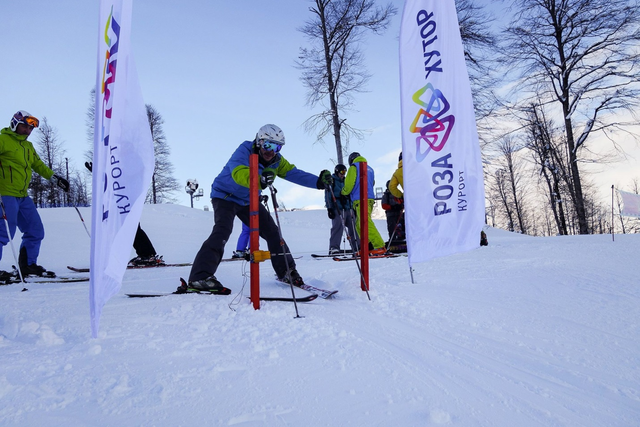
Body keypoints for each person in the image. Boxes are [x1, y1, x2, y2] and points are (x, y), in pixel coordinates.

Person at [187, 124, 333, 292]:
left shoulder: (277, 160)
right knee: (222, 230)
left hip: (249, 199)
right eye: (268, 145)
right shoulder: (245, 150)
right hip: (225, 195)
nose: (271, 151)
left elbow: (294, 173)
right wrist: (259, 179)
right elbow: (239, 172)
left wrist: (318, 182)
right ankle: (200, 277)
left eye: (276, 147)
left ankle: (287, 271)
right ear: (259, 141)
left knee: (272, 232)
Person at [0, 111, 70, 279]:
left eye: (30, 128)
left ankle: (27, 266)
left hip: (22, 196)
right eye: (25, 126)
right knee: (3, 232)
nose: (28, 131)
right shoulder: (3, 140)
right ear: (15, 124)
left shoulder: (28, 147)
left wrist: (55, 178)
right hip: (5, 194)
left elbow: (38, 165)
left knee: (35, 230)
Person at [85, 161, 164, 266]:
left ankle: (148, 255)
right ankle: (146, 254)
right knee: (128, 228)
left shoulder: (126, 160)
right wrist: (97, 172)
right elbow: (112, 179)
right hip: (122, 200)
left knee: (132, 227)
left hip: (126, 199)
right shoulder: (118, 161)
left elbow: (118, 177)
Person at [341, 152, 386, 255]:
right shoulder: (369, 168)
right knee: (359, 224)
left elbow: (349, 183)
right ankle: (368, 246)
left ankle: (379, 245)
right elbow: (372, 183)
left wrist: (344, 192)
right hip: (369, 197)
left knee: (365, 222)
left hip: (360, 198)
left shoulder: (354, 167)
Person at [325, 164, 358, 255]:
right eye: (342, 172)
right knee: (338, 228)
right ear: (337, 171)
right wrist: (330, 208)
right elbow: (328, 195)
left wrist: (353, 207)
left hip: (348, 208)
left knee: (354, 228)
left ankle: (357, 247)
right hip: (338, 208)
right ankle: (334, 247)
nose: (343, 174)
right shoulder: (332, 181)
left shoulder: (346, 181)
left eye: (344, 172)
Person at [232, 195, 268, 259]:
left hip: (244, 210)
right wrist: (260, 198)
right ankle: (252, 248)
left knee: (246, 230)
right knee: (254, 230)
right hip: (252, 210)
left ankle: (240, 251)